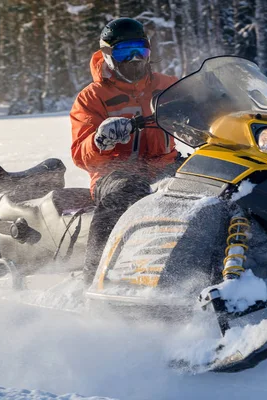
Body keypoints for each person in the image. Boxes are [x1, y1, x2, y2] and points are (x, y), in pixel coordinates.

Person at [70, 18, 179, 286]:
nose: (133, 59)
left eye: (139, 51)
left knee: (221, 177)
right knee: (127, 192)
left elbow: (208, 106)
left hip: (166, 164)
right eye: (123, 52)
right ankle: (93, 278)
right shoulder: (91, 97)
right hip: (113, 173)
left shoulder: (169, 85)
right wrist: (99, 140)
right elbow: (80, 154)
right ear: (107, 56)